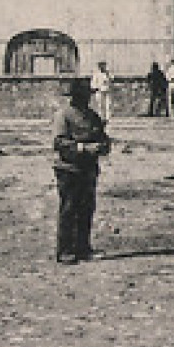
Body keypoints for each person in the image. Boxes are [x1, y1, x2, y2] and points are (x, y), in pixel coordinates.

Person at [50, 78, 111, 265]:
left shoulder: (92, 116)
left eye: (86, 96)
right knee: (69, 209)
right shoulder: (63, 115)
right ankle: (65, 251)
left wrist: (103, 146)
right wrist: (84, 148)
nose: (85, 99)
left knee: (86, 209)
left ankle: (83, 248)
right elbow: (59, 143)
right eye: (81, 96)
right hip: (69, 169)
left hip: (88, 169)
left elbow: (104, 138)